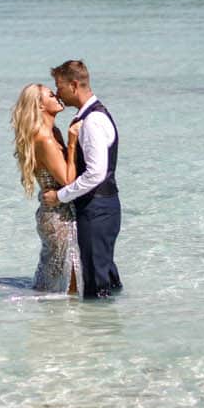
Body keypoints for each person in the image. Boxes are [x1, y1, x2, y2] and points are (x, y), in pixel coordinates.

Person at [41, 59, 122, 300]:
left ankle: (99, 333)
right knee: (105, 278)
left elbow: (96, 173)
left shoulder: (92, 121)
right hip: (101, 207)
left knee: (96, 288)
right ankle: (108, 327)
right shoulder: (90, 117)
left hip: (97, 209)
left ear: (74, 85)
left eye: (60, 86)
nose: (57, 93)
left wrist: (60, 196)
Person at [11, 81, 81, 295]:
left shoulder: (52, 132)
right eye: (51, 95)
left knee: (56, 280)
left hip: (54, 212)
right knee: (69, 283)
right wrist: (72, 142)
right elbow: (68, 180)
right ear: (40, 106)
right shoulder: (45, 139)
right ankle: (62, 325)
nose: (57, 97)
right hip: (57, 216)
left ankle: (51, 321)